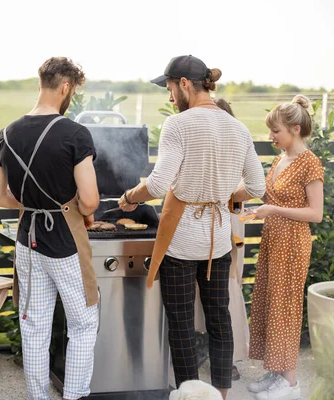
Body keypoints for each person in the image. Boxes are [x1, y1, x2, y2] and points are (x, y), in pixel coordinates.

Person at [118, 55, 266, 399]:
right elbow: (257, 188)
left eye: (170, 88)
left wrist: (129, 197)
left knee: (182, 325)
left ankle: (189, 395)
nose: (170, 98)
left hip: (181, 242)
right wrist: (220, 194)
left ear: (184, 84)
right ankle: (221, 395)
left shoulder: (179, 125)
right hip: (219, 241)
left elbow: (156, 186)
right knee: (219, 321)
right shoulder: (238, 127)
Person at [0, 56, 100, 400]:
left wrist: (31, 204)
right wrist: (73, 208)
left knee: (34, 327)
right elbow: (91, 200)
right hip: (65, 242)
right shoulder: (74, 133)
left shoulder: (7, 133)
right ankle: (74, 396)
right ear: (66, 87)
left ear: (41, 83)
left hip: (28, 241)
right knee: (82, 324)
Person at [244, 95, 324, 400]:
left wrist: (273, 211)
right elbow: (268, 195)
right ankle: (277, 371)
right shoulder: (281, 159)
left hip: (292, 243)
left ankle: (291, 384)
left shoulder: (309, 163)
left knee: (285, 309)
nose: (270, 136)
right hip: (273, 239)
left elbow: (315, 214)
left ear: (294, 128)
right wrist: (238, 199)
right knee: (269, 304)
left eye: (275, 131)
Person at [194, 98, 251, 381]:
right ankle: (206, 347)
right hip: (203, 224)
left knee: (228, 291)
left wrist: (224, 195)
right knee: (201, 288)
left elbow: (248, 186)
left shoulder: (236, 141)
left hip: (228, 224)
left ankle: (229, 358)